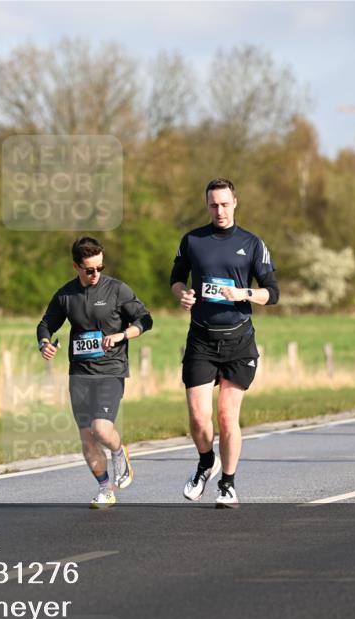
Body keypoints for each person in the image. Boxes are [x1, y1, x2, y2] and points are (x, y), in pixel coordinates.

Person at [170, 178, 279, 508]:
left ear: (235, 202)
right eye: (213, 205)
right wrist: (183, 295)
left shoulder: (252, 243)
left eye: (224, 203)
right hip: (201, 338)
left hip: (238, 341)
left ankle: (228, 484)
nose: (219, 210)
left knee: (226, 417)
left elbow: (272, 292)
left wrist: (244, 293)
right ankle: (206, 461)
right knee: (199, 418)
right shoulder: (193, 241)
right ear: (207, 206)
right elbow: (176, 279)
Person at [37, 237, 154, 508]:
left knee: (101, 429)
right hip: (79, 373)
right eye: (89, 269)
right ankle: (105, 488)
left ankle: (118, 450)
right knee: (87, 437)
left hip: (110, 370)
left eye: (100, 267)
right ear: (76, 266)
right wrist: (44, 343)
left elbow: (145, 319)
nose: (96, 274)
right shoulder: (66, 295)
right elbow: (46, 324)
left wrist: (123, 335)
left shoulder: (117, 290)